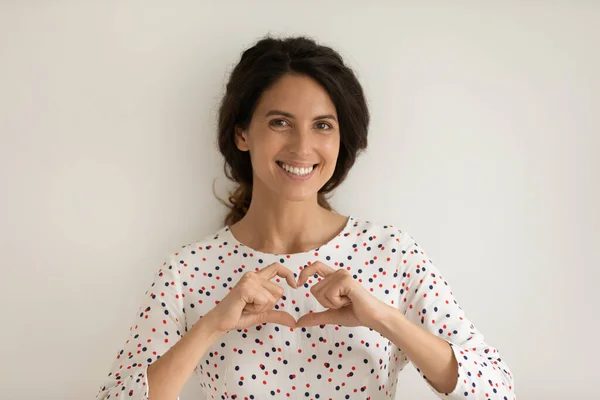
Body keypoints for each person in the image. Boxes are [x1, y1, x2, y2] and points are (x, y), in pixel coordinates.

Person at [95, 35, 516, 400]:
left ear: (342, 138)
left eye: (322, 125)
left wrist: (386, 320)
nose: (302, 146)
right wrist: (209, 327)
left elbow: (496, 389)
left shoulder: (392, 254)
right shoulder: (189, 270)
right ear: (242, 133)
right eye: (280, 122)